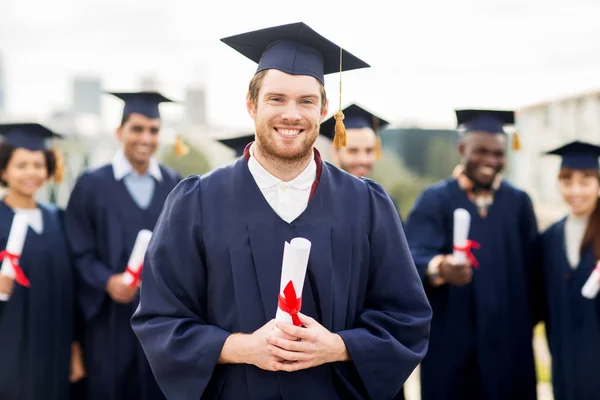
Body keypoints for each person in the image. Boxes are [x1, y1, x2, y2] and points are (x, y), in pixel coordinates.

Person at [131, 21, 431, 400]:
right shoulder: (197, 201)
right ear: (251, 104)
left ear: (324, 110)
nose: (292, 114)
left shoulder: (366, 204)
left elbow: (407, 319)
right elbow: (160, 319)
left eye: (306, 101)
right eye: (276, 99)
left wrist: (337, 346)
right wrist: (241, 347)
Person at [404, 109, 541, 400]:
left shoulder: (518, 203)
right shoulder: (435, 200)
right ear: (462, 148)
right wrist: (439, 267)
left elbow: (534, 272)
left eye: (498, 154)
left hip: (509, 345)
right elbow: (411, 257)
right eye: (481, 151)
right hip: (452, 344)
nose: (490, 161)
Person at [64, 92, 182, 400]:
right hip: (108, 322)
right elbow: (77, 249)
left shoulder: (175, 185)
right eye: (137, 129)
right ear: (120, 133)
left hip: (160, 323)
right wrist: (106, 280)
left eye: (153, 130)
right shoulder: (91, 185)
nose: (146, 138)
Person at [0, 123, 86, 399]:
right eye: (21, 165)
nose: (31, 173)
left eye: (38, 164)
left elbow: (72, 289)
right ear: (4, 171)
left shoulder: (58, 218)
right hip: (9, 348)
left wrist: (74, 349)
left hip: (55, 345)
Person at [541, 140, 600, 400]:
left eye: (585, 181)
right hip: (566, 361)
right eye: (567, 181)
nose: (575, 190)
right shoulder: (550, 237)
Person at [320, 103, 403, 220]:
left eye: (369, 150)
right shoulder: (318, 201)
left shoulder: (385, 204)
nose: (363, 160)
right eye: (353, 151)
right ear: (335, 152)